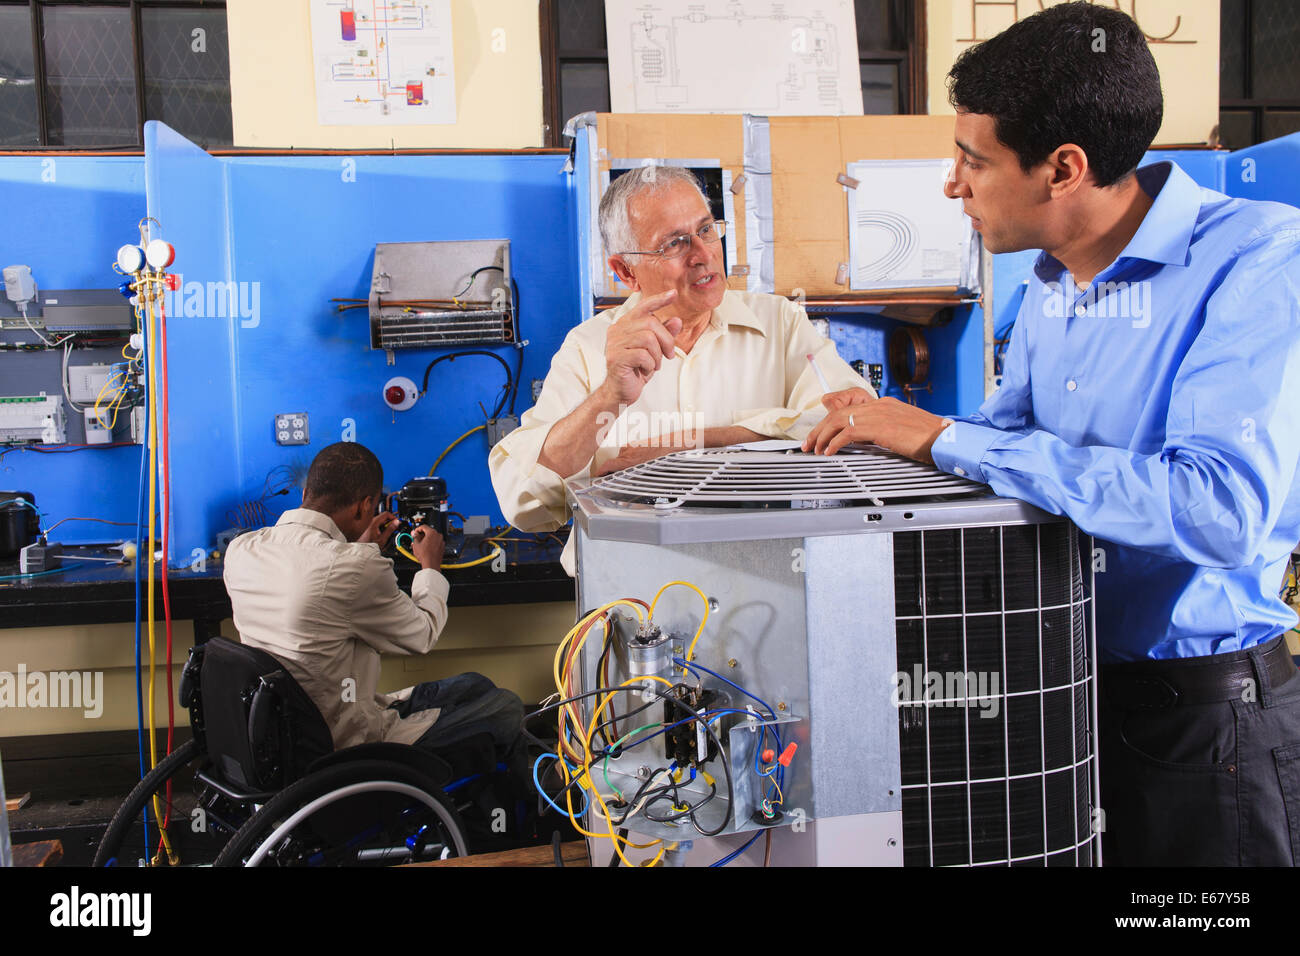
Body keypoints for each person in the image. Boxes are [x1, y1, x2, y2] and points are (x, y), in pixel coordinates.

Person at [804, 2, 1300, 866]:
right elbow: (1012, 446)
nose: (952, 184)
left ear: (1064, 168)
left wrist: (947, 439)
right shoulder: (1051, 279)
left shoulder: (1257, 261)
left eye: (972, 159)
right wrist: (899, 443)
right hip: (1067, 697)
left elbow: (1218, 508)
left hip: (1203, 732)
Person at [489, 165, 873, 573]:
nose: (703, 253)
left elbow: (856, 423)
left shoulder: (781, 323)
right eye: (674, 243)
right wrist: (608, 397)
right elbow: (524, 502)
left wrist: (678, 452)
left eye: (707, 230)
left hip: (770, 581)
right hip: (631, 595)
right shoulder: (587, 348)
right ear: (625, 271)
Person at [223, 441, 524, 770]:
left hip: (281, 736)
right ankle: (510, 805)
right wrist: (430, 568)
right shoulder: (353, 567)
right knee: (506, 707)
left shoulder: (242, 550)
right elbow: (421, 634)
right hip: (345, 748)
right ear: (364, 506)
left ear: (306, 491)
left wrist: (358, 548)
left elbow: (316, 582)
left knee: (473, 684)